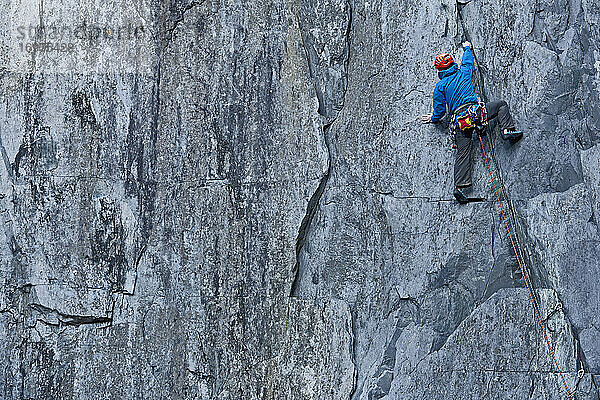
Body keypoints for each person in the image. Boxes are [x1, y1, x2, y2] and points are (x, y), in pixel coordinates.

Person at [421, 41, 522, 204]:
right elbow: (468, 61)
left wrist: (433, 118)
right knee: (501, 105)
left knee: (463, 153)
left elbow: (440, 110)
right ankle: (506, 131)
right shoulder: (463, 72)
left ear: (439, 70)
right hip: (476, 114)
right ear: (453, 63)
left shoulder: (440, 86)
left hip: (459, 122)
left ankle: (459, 187)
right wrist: (467, 47)